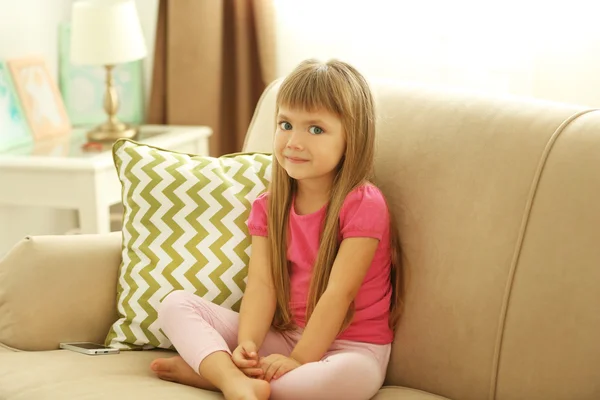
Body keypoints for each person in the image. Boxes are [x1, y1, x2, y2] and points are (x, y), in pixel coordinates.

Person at [150, 59, 404, 400]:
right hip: (284, 335)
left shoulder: (364, 204)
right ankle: (233, 377)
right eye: (286, 124)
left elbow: (337, 295)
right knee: (175, 305)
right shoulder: (269, 205)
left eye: (315, 129)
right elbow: (262, 283)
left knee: (329, 384)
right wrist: (249, 344)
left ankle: (213, 374)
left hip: (353, 349)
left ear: (352, 137)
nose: (294, 142)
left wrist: (298, 360)